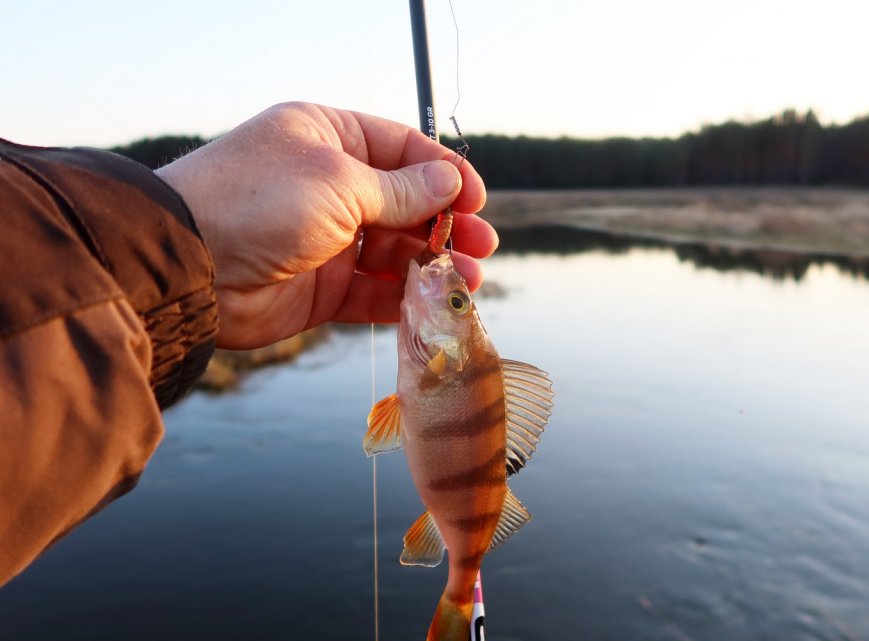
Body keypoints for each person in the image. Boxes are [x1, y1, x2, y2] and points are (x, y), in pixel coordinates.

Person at [0, 101, 498, 586]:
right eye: (461, 303)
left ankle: (461, 579)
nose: (452, 292)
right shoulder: (444, 363)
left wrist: (187, 237)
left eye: (456, 306)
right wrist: (179, 249)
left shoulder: (447, 365)